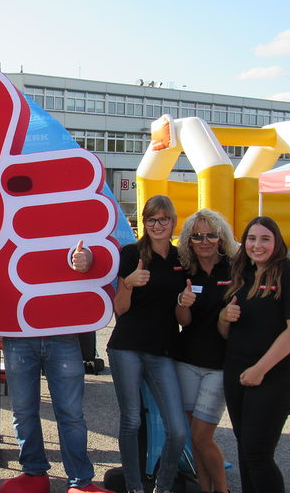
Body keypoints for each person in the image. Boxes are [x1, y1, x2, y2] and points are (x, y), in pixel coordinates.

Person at [0, 241, 113, 493]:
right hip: (18, 332)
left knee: (70, 413)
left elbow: (85, 241)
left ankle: (80, 481)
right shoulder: (7, 207)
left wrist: (87, 258)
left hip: (61, 330)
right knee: (24, 411)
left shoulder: (61, 205)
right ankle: (34, 472)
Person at [107, 194, 186, 493]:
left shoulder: (181, 258)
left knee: (177, 430)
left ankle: (162, 487)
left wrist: (185, 302)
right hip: (126, 347)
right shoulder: (130, 253)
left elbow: (183, 312)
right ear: (144, 223)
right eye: (151, 219)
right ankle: (134, 487)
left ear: (172, 221)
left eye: (163, 218)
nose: (157, 224)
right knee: (131, 421)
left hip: (163, 349)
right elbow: (120, 308)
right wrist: (129, 282)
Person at [218, 216, 290, 493]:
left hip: (273, 376)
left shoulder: (288, 273)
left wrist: (260, 369)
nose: (257, 245)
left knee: (257, 455)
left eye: (265, 238)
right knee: (245, 451)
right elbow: (226, 332)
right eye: (251, 238)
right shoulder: (242, 274)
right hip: (237, 372)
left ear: (276, 242)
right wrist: (224, 317)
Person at [174, 209, 237, 493]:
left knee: (202, 436)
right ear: (189, 240)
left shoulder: (236, 269)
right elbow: (183, 321)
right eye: (197, 236)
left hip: (219, 364)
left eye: (211, 234)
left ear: (221, 237)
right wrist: (182, 303)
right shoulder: (187, 271)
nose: (205, 241)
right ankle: (205, 488)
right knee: (193, 437)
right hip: (186, 360)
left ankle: (221, 490)